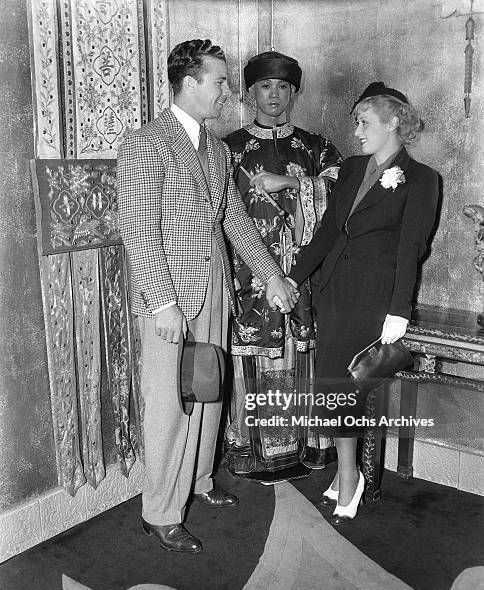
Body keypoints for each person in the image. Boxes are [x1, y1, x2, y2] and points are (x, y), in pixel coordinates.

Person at [117, 39, 298, 553]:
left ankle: (198, 481)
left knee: (208, 388)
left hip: (215, 283)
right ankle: (160, 511)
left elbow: (234, 220)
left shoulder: (217, 149)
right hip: (172, 294)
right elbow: (137, 226)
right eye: (220, 81)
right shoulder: (147, 142)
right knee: (170, 403)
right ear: (189, 83)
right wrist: (161, 302)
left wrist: (270, 276)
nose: (228, 91)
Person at [288, 81, 439, 524]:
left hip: (373, 301)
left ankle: (350, 478)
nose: (356, 131)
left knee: (347, 388)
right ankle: (347, 471)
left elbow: (412, 247)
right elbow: (329, 232)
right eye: (356, 122)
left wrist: (400, 310)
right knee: (332, 384)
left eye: (364, 122)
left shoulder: (424, 179)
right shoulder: (352, 169)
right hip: (332, 291)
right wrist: (294, 279)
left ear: (393, 122)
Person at [223, 51, 342, 481]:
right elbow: (219, 214)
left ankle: (303, 450)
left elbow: (343, 197)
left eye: (283, 87)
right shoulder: (229, 148)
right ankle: (250, 451)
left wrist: (291, 182)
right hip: (248, 275)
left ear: (294, 92)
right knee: (253, 353)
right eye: (265, 86)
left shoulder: (315, 146)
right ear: (249, 91)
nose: (274, 95)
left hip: (304, 273)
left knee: (301, 352)